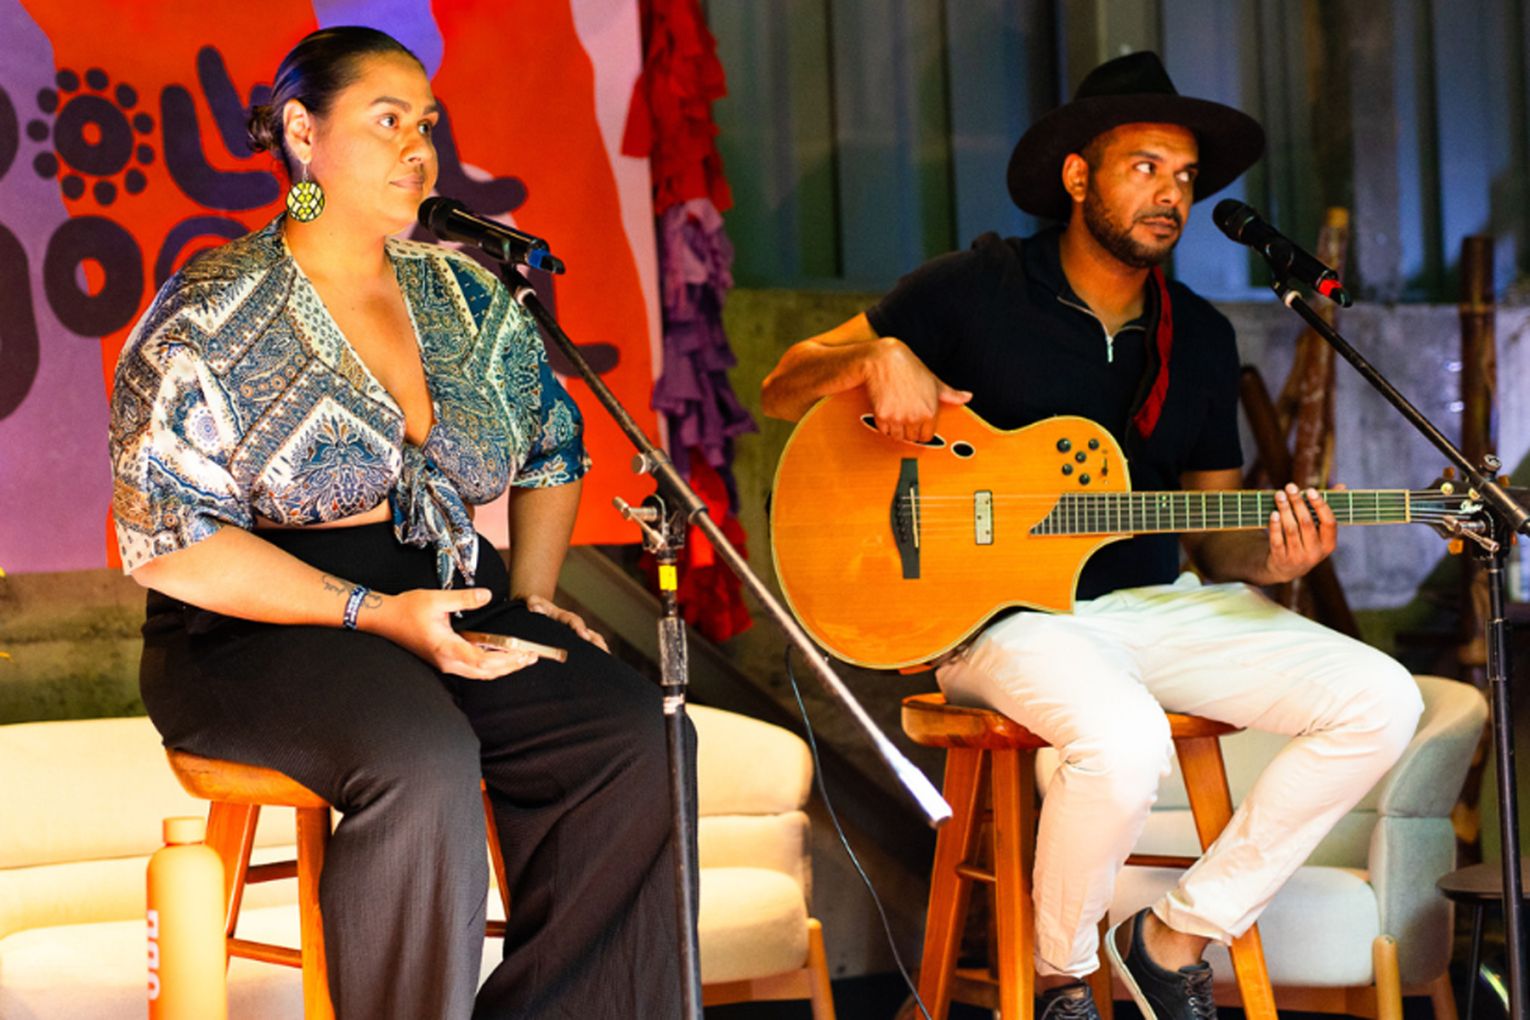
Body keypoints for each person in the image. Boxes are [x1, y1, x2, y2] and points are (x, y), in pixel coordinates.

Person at [761, 51, 1423, 1020]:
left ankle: (1171, 938)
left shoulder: (1199, 337)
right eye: (1145, 167)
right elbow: (784, 385)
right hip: (1004, 621)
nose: (1172, 194)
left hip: (1154, 607)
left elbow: (1216, 535)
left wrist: (1275, 554)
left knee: (1382, 698)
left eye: (1185, 176)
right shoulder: (977, 286)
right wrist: (880, 353)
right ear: (1078, 177)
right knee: (1122, 738)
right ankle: (1065, 979)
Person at [109, 26, 686, 1019]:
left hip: (450, 604)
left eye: (427, 124)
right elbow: (168, 538)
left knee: (634, 735)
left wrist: (532, 598)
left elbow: (554, 442)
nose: (419, 148)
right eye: (387, 121)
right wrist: (377, 612)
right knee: (421, 759)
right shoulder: (210, 305)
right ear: (303, 133)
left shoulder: (464, 291)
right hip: (255, 626)